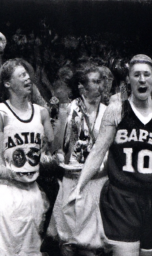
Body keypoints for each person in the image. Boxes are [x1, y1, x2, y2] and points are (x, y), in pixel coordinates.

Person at [74, 54, 152, 256]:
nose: (142, 79)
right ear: (129, 80)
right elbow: (98, 151)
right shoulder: (116, 110)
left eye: (147, 75)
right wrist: (80, 185)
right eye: (136, 75)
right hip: (121, 198)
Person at [47, 63, 109, 256]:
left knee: (93, 246)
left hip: (97, 182)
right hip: (72, 179)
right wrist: (58, 155)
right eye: (96, 81)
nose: (101, 86)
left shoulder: (109, 111)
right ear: (82, 87)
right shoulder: (68, 110)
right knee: (67, 241)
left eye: (102, 82)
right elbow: (57, 146)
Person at [0, 58, 53, 255]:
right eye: (21, 75)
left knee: (31, 251)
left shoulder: (41, 113)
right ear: (7, 83)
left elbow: (53, 147)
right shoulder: (2, 112)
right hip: (7, 191)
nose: (27, 78)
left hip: (33, 191)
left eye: (27, 74)